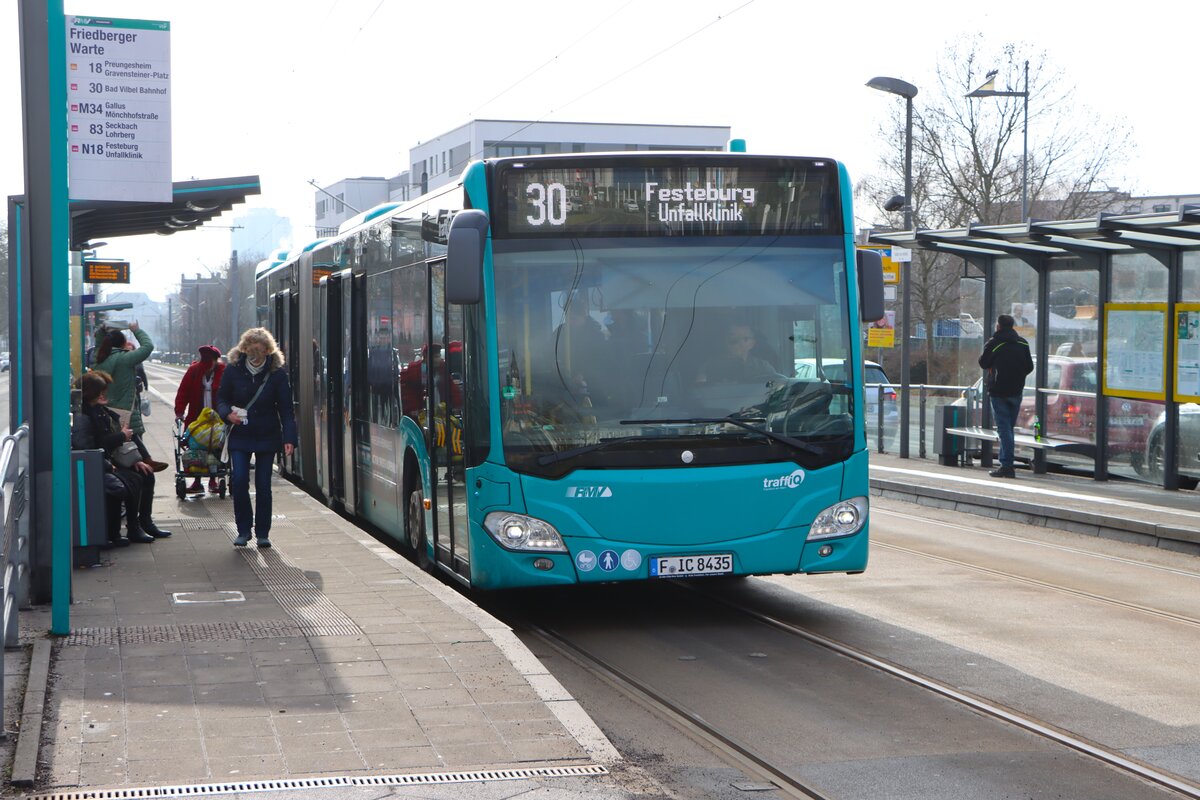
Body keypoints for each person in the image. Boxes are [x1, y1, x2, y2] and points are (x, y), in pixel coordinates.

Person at [217, 328, 297, 548]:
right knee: (240, 480)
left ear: (268, 351)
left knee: (263, 485)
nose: (255, 355)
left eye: (260, 351)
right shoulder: (233, 370)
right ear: (244, 350)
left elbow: (286, 409)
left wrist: (289, 438)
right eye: (251, 350)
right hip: (240, 433)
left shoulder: (277, 374)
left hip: (266, 434)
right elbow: (221, 398)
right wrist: (227, 414)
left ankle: (263, 532)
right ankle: (243, 530)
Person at [71, 370, 168, 545]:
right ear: (90, 393)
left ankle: (144, 523)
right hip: (101, 464)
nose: (104, 394)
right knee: (133, 479)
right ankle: (132, 528)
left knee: (145, 475)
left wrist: (134, 458)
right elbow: (93, 445)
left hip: (108, 460)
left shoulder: (98, 411)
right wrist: (122, 437)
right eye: (101, 391)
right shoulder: (84, 416)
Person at [91, 322, 169, 472]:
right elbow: (148, 347)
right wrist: (136, 330)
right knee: (133, 457)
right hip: (126, 414)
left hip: (105, 414)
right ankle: (145, 463)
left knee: (117, 456)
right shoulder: (125, 358)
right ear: (122, 344)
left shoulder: (99, 359)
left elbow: (99, 344)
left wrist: (101, 330)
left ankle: (144, 462)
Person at [978, 313, 1034, 478]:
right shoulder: (1023, 343)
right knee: (1008, 428)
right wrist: (1018, 376)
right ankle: (1005, 464)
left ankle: (1007, 466)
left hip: (998, 391)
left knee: (1004, 429)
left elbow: (983, 363)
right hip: (1016, 391)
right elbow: (1029, 366)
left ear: (999, 326)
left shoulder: (995, 343)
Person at [174, 344, 226, 493]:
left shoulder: (223, 372)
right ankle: (197, 480)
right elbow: (183, 391)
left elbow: (229, 392)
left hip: (217, 418)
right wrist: (179, 412)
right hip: (196, 418)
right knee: (196, 447)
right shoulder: (194, 371)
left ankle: (213, 479)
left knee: (215, 447)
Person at [698, 323, 776, 383]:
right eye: (733, 338)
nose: (739, 342)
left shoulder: (763, 368)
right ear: (725, 340)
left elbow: (777, 389)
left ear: (752, 343)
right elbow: (699, 392)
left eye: (745, 339)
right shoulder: (710, 366)